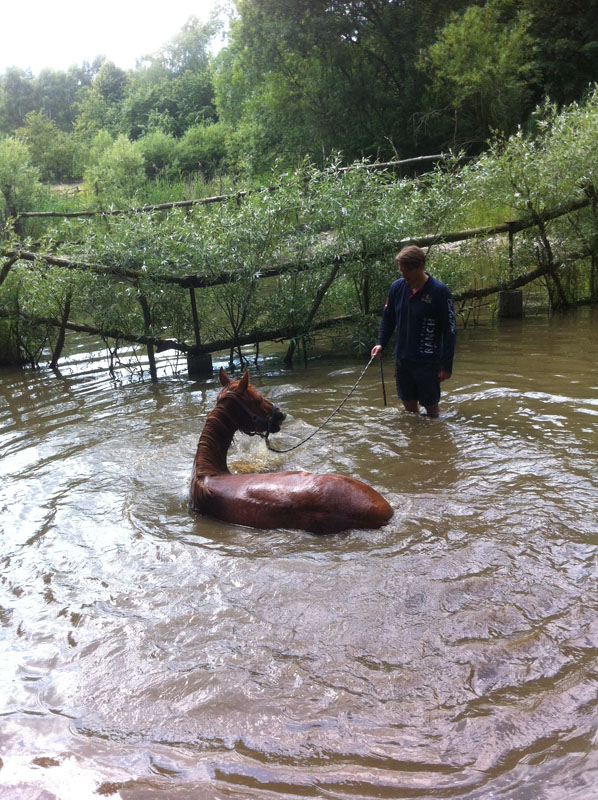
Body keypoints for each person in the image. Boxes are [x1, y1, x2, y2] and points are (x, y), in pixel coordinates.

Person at [371, 245, 456, 418]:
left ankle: (435, 441)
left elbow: (450, 330)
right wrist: (381, 343)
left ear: (420, 266)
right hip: (403, 360)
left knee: (432, 413)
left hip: (428, 362)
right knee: (410, 412)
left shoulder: (440, 292)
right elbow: (388, 318)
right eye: (401, 271)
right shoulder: (397, 288)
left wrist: (446, 365)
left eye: (406, 271)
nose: (403, 276)